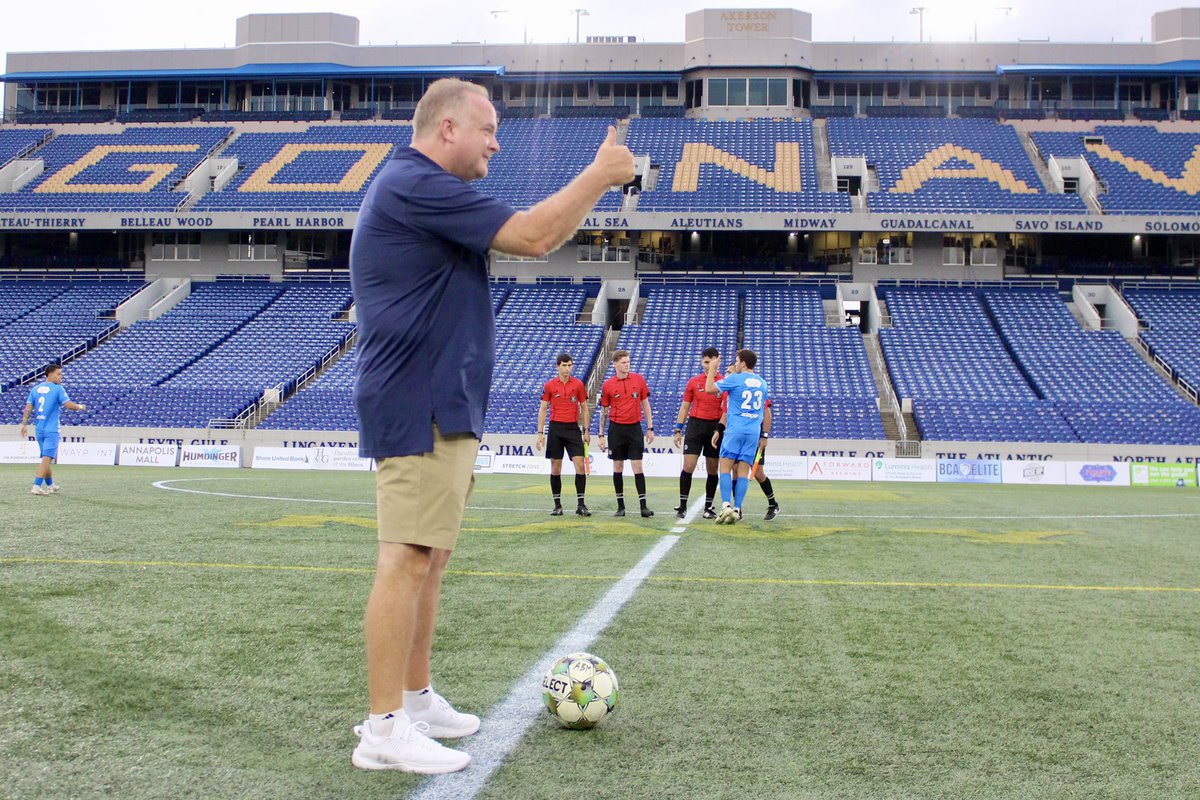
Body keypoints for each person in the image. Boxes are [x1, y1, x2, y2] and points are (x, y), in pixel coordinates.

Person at [349, 78, 634, 774]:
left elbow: (533, 236)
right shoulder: (416, 183)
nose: (496, 143)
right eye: (488, 129)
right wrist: (599, 175)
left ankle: (414, 701)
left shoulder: (423, 189)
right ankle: (383, 728)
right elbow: (535, 237)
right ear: (448, 128)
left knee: (431, 557)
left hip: (441, 399)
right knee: (407, 555)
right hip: (418, 398)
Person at [705, 349, 769, 524]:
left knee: (724, 468)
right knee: (742, 472)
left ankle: (726, 505)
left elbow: (709, 389)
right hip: (753, 432)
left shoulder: (735, 379)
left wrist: (712, 369)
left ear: (743, 363)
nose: (734, 363)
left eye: (736, 360)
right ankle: (737, 508)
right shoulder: (763, 383)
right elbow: (764, 410)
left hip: (735, 430)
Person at [597, 349, 654, 518]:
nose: (627, 365)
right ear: (615, 364)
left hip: (634, 428)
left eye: (628, 362)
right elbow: (603, 411)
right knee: (618, 466)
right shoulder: (608, 385)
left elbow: (646, 404)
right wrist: (600, 435)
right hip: (616, 430)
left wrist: (650, 428)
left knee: (637, 466)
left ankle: (643, 507)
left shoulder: (639, 379)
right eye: (623, 362)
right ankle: (620, 507)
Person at [535, 352, 592, 517]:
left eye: (570, 365)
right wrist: (540, 433)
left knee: (580, 464)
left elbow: (584, 408)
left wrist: (587, 430)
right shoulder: (550, 385)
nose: (568, 368)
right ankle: (557, 505)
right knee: (555, 466)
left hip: (573, 428)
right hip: (555, 429)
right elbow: (543, 409)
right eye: (564, 365)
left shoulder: (578, 385)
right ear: (558, 366)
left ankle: (581, 505)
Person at [19, 363, 86, 495]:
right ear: (50, 374)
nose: (61, 377)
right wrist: (79, 406)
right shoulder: (58, 389)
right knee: (47, 458)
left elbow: (28, 408)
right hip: (51, 429)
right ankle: (36, 486)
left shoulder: (35, 389)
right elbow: (68, 405)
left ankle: (51, 485)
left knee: (46, 458)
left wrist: (23, 424)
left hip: (39, 429)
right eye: (59, 374)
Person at [672, 347, 723, 519]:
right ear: (702, 362)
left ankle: (708, 507)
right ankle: (683, 506)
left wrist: (720, 428)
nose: (709, 365)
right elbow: (685, 406)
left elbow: (726, 410)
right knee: (688, 466)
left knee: (713, 469)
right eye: (706, 362)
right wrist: (678, 429)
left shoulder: (723, 382)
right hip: (695, 426)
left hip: (715, 428)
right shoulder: (693, 382)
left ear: (718, 362)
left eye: (712, 362)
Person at [715, 389, 781, 521]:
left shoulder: (751, 388)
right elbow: (726, 415)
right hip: (737, 436)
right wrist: (719, 431)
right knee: (735, 470)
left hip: (754, 438)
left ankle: (773, 504)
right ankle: (737, 509)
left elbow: (766, 413)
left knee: (758, 473)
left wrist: (764, 435)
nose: (727, 374)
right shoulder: (729, 393)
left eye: (730, 370)